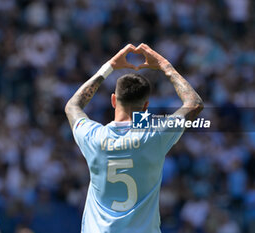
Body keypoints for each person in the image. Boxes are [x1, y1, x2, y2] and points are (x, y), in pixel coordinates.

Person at [65, 43, 204, 233]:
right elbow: (194, 103)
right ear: (146, 106)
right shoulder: (155, 135)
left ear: (113, 100)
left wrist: (110, 66)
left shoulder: (94, 137)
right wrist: (164, 65)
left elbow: (72, 106)